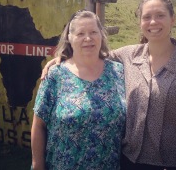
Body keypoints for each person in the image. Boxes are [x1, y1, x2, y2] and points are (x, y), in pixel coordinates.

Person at [42, 0, 176, 170]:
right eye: (147, 17)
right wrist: (62, 58)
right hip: (130, 160)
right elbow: (91, 54)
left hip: (173, 163)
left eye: (160, 15)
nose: (153, 22)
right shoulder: (128, 56)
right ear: (140, 23)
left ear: (173, 19)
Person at [31, 10, 126, 170]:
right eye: (80, 33)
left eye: (93, 32)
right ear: (69, 37)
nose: (88, 38)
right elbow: (38, 125)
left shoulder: (118, 72)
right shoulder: (56, 75)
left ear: (101, 35)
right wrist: (37, 165)